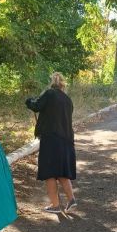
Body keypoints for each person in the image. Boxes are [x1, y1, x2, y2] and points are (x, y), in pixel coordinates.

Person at [25, 72, 77, 213]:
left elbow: (36, 106)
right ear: (62, 85)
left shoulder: (49, 94)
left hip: (51, 139)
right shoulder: (68, 100)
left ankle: (55, 206)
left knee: (49, 173)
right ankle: (71, 200)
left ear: (51, 83)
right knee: (61, 172)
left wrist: (29, 101)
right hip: (66, 140)